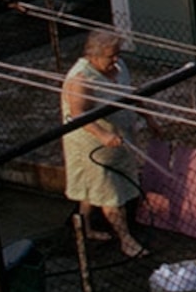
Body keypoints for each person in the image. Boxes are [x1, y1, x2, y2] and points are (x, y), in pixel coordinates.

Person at [60, 28, 149, 258]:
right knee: (109, 192)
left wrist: (150, 118)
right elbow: (77, 114)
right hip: (93, 146)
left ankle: (85, 227)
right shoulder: (81, 80)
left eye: (117, 53)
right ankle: (125, 239)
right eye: (111, 55)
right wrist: (102, 135)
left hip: (119, 137)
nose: (116, 59)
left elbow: (131, 95)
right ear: (94, 55)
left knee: (92, 190)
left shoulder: (118, 68)